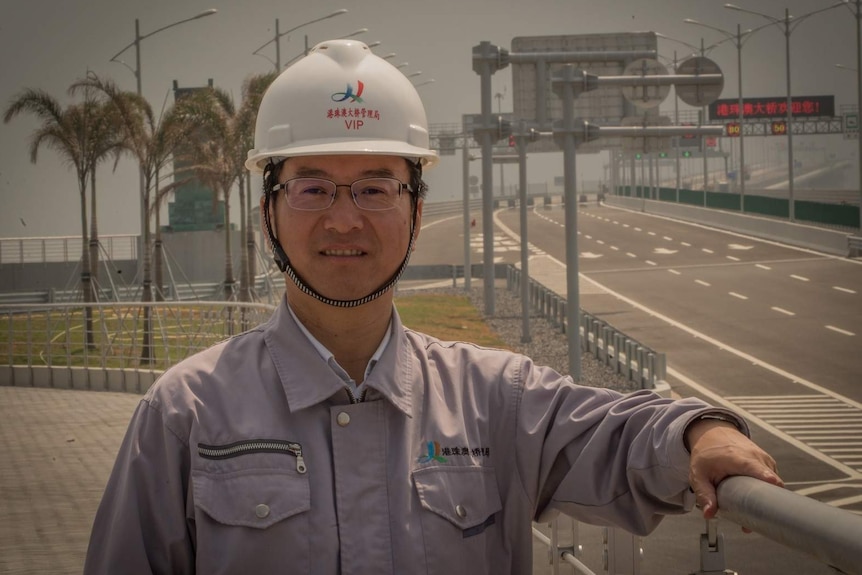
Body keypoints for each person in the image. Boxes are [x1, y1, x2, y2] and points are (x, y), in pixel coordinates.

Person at [83, 39, 782, 574]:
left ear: (418, 210)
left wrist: (703, 432)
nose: (345, 219)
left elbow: (618, 436)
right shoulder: (185, 414)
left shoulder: (494, 401)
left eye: (376, 187)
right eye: (313, 187)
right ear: (268, 209)